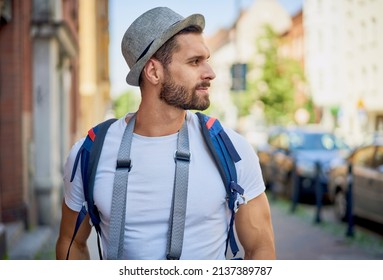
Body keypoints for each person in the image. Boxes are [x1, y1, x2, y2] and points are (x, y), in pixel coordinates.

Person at [56, 6, 275, 260]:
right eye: (195, 61)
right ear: (153, 72)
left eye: (206, 59)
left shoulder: (231, 149)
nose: (210, 73)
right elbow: (70, 244)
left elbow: (261, 249)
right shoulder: (90, 152)